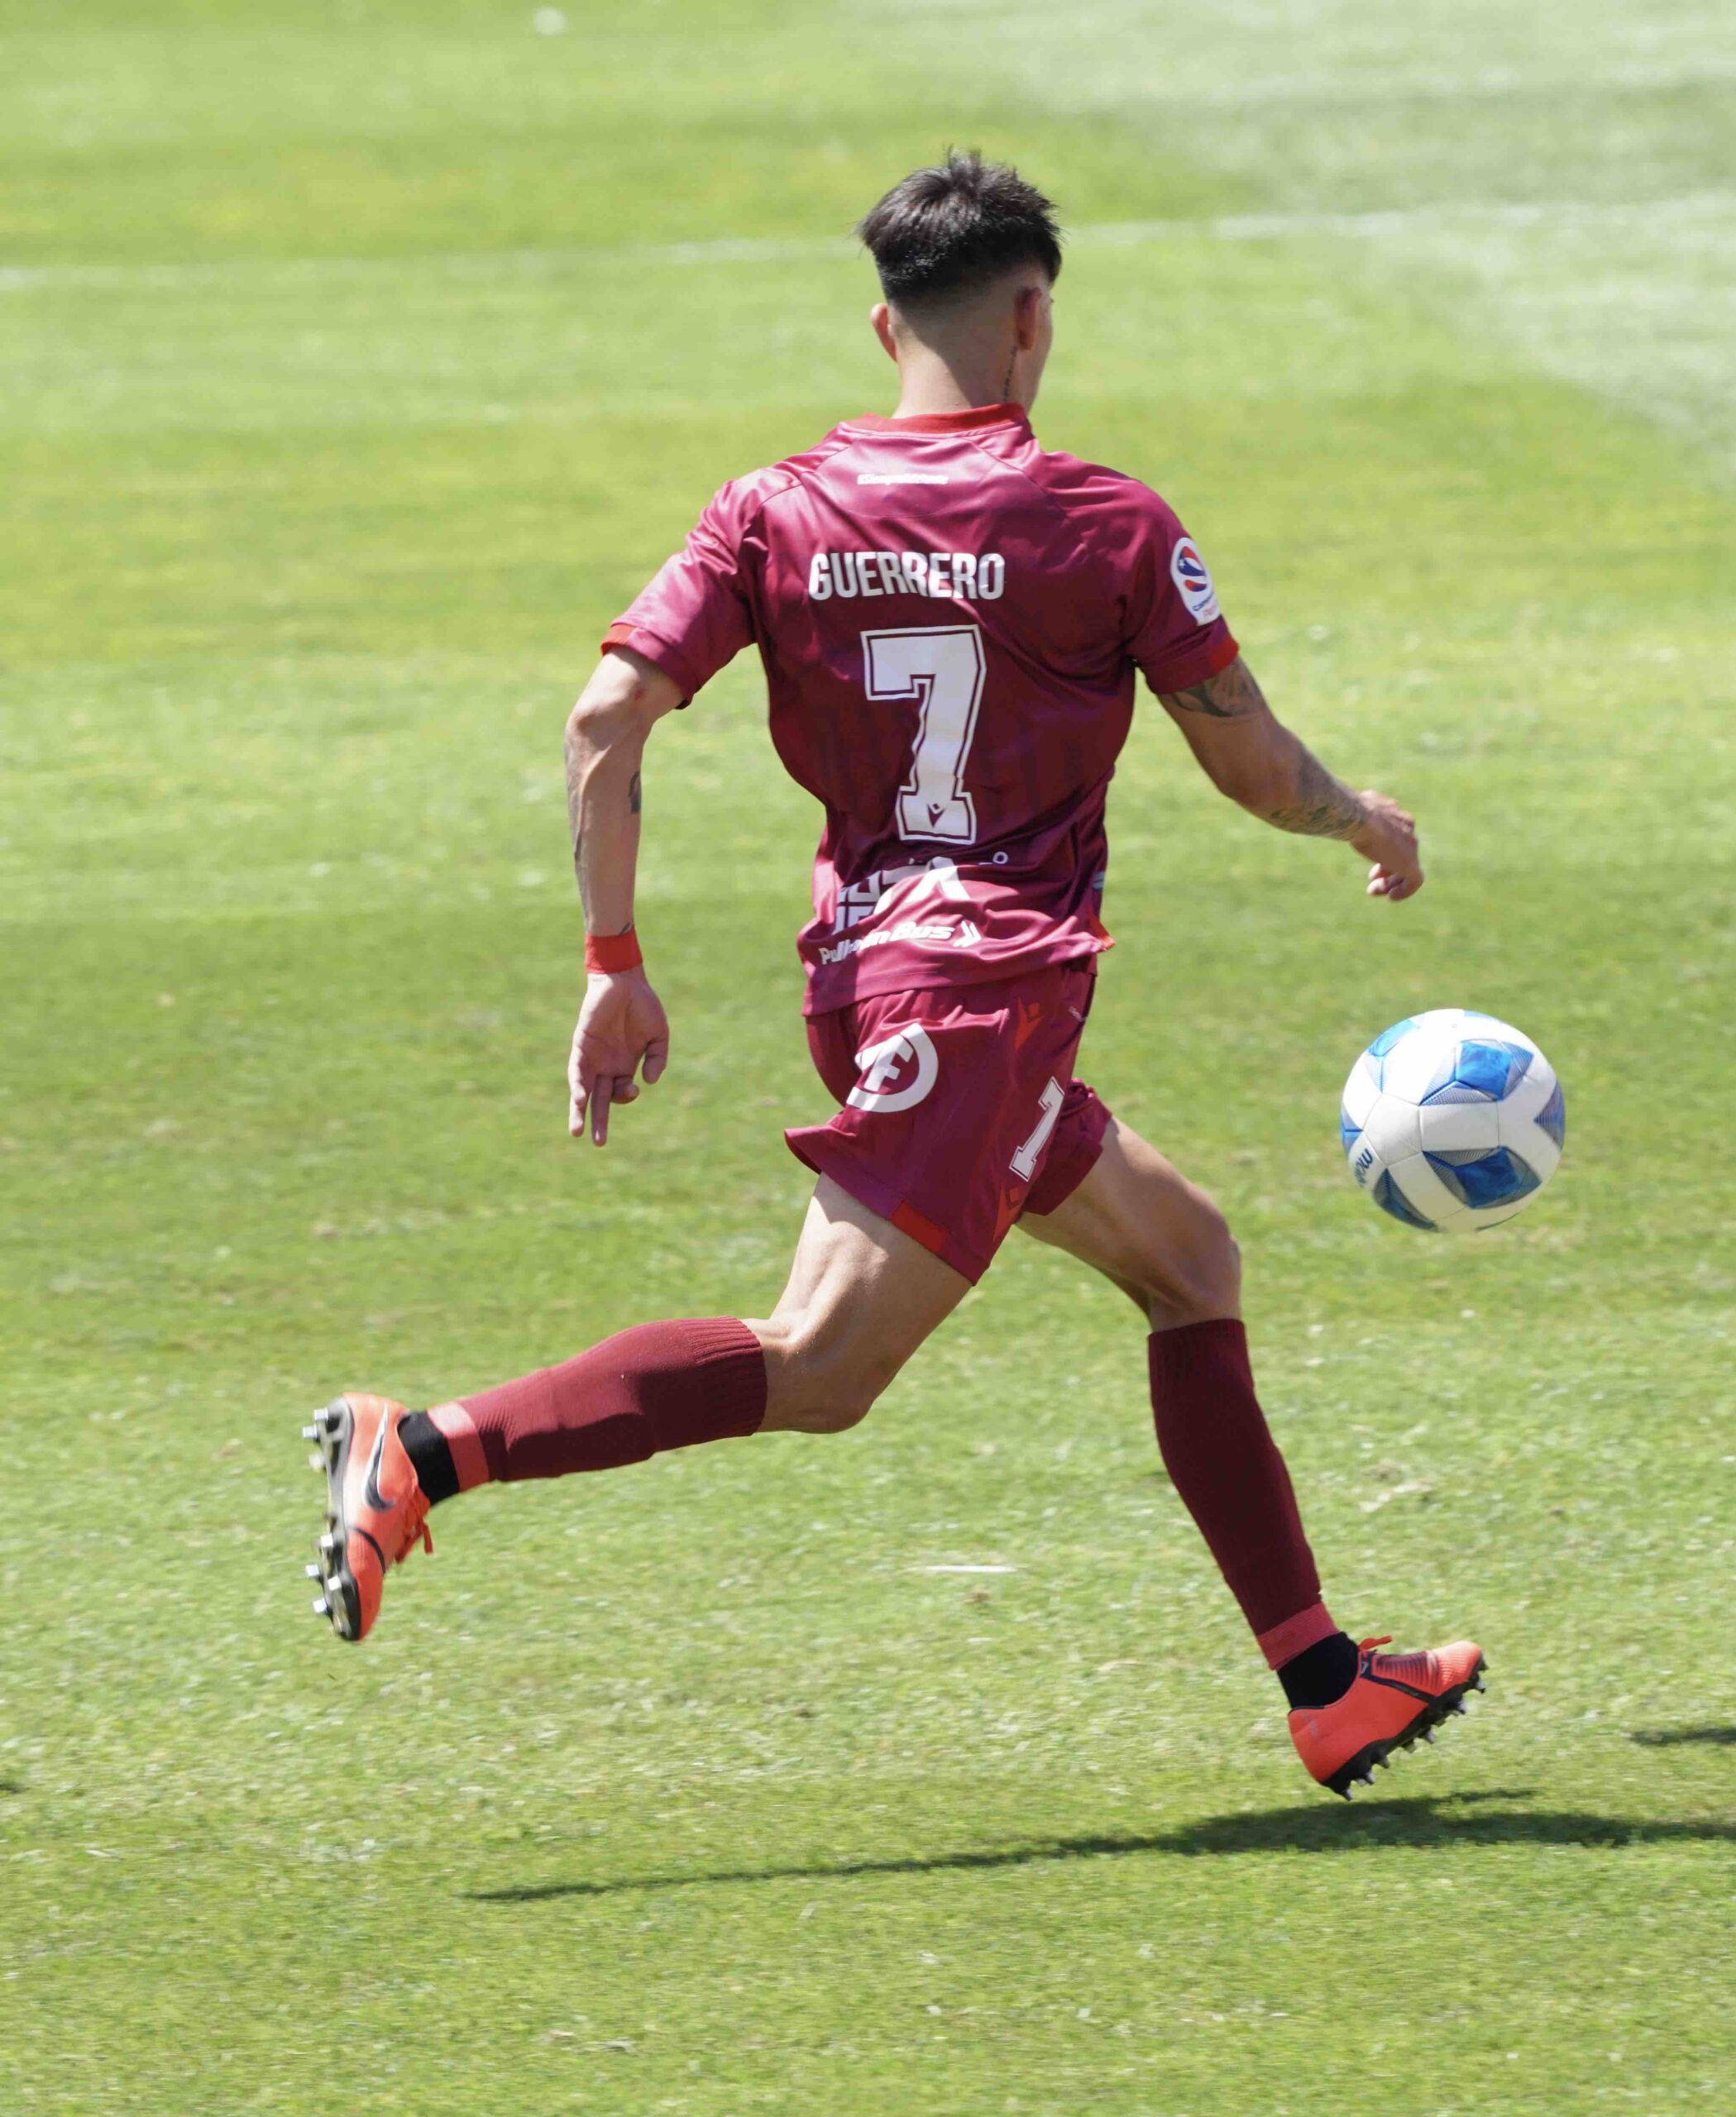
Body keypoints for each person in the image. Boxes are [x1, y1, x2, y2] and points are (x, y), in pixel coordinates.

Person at [303, 152, 1484, 1796]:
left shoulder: (769, 508)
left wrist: (613, 961)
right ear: (1032, 317)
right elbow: (1248, 763)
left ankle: (1325, 1682)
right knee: (818, 1366)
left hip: (867, 979)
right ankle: (428, 1448)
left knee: (1188, 1257)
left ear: (884, 327)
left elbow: (601, 720)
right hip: (981, 1001)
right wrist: (1364, 818)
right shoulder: (1105, 523)